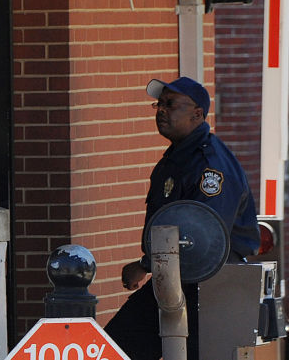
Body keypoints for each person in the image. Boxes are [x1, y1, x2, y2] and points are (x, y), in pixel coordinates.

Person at [104, 76, 260, 360]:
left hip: (213, 288)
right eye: (159, 104)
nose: (161, 110)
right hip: (175, 278)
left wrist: (145, 264)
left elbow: (203, 241)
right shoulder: (177, 158)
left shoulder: (209, 166)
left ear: (197, 114)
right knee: (114, 350)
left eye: (171, 104)